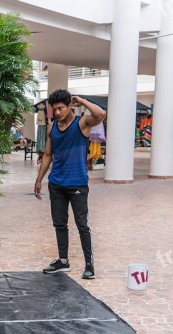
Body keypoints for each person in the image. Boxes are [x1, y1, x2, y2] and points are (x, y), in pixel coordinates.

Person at [34, 89, 106, 280]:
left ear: (69, 106)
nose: (57, 113)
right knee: (59, 224)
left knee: (82, 225)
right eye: (54, 109)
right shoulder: (52, 128)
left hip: (77, 183)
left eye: (61, 108)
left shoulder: (82, 123)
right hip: (56, 183)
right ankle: (63, 261)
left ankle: (89, 265)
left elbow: (101, 114)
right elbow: (48, 155)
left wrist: (82, 100)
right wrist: (39, 179)